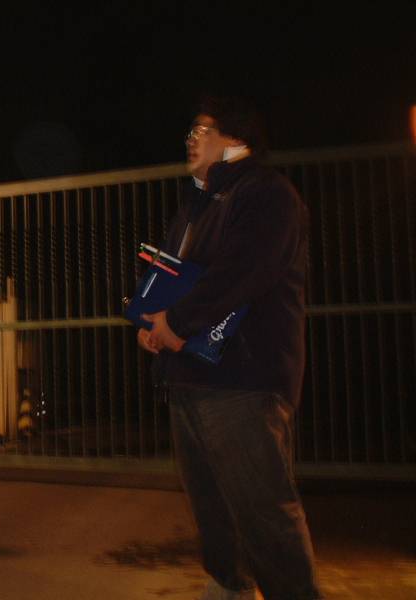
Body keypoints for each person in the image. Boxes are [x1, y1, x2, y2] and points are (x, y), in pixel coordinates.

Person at [137, 96, 322, 600]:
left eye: (203, 130)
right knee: (212, 507)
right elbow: (171, 275)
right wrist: (151, 323)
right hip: (189, 376)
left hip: (244, 379)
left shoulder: (266, 193)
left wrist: (177, 321)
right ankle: (229, 586)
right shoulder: (195, 206)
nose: (190, 139)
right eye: (189, 132)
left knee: (263, 510)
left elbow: (242, 271)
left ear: (236, 138)